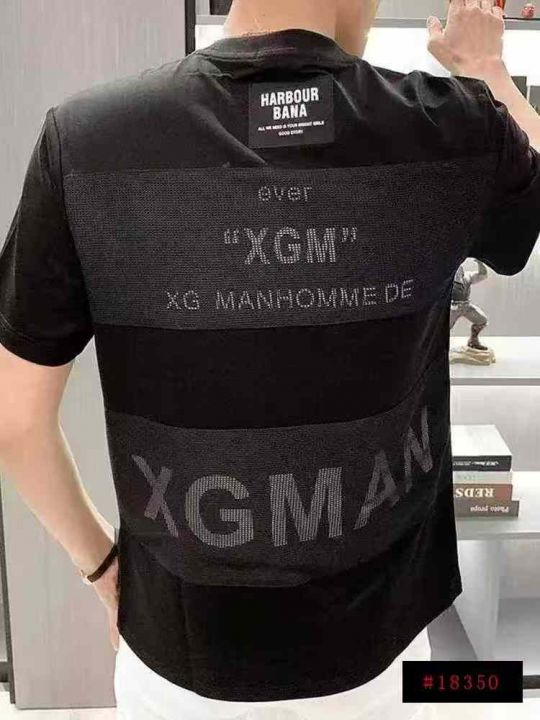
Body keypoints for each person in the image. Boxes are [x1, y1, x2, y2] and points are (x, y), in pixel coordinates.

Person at [0, 0, 539, 719]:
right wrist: (488, 70)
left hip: (179, 659)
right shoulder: (455, 127)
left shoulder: (85, 138)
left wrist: (103, 570)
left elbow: (14, 421)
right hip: (375, 656)